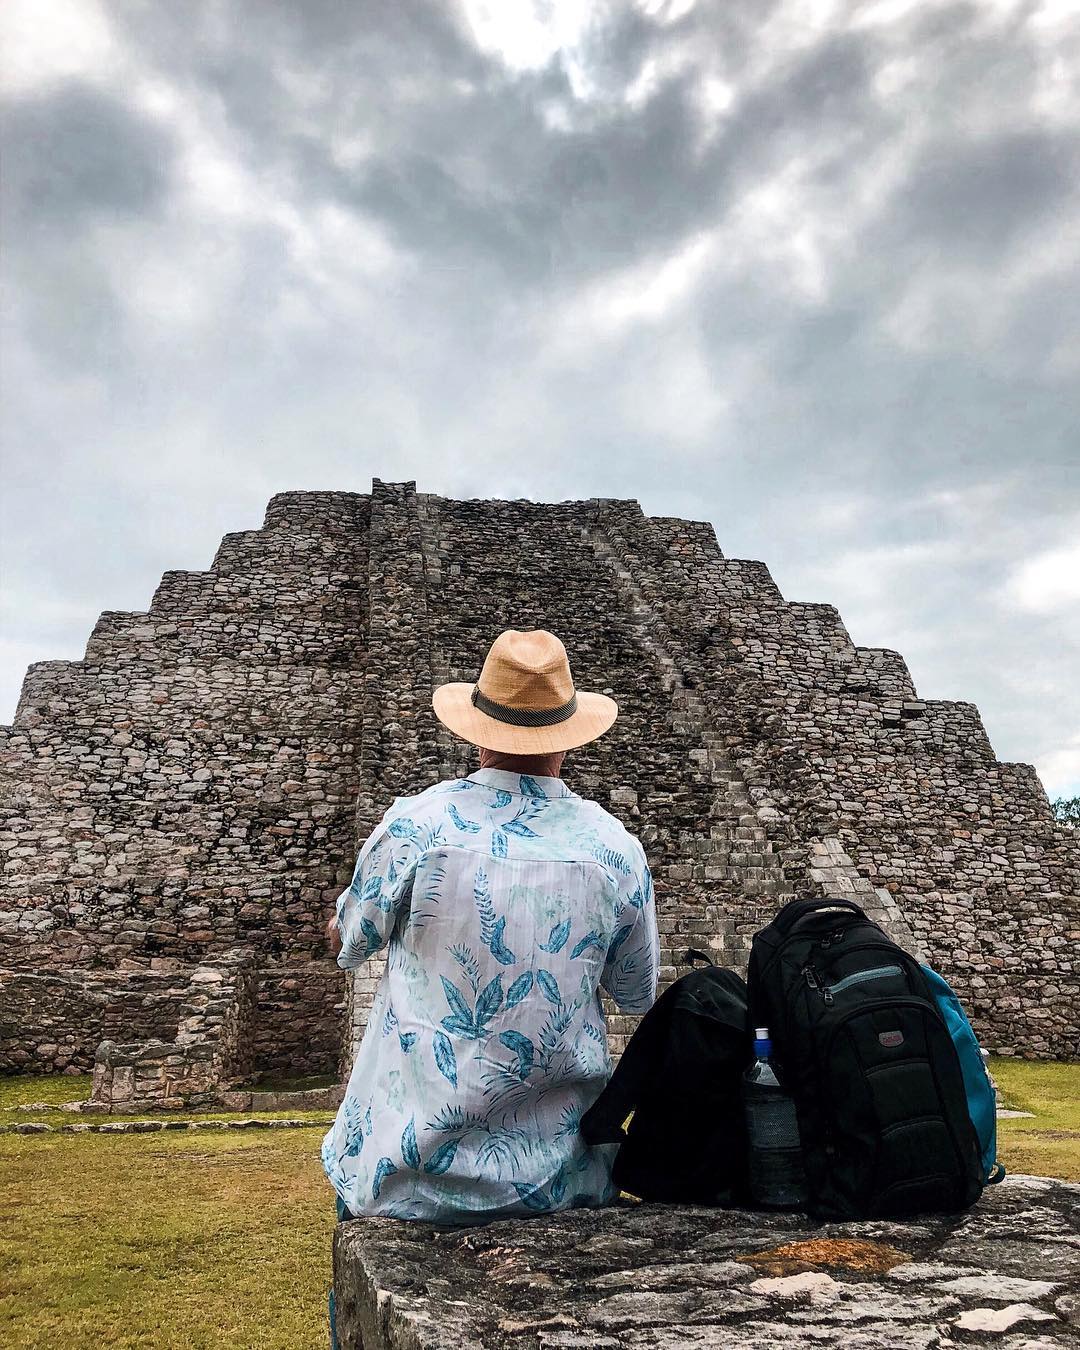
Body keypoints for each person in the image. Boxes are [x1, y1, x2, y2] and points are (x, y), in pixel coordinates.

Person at [321, 628, 659, 1226]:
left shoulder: (417, 825)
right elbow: (636, 994)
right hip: (554, 1178)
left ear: (477, 736)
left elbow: (351, 943)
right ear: (566, 738)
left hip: (405, 1174)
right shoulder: (614, 849)